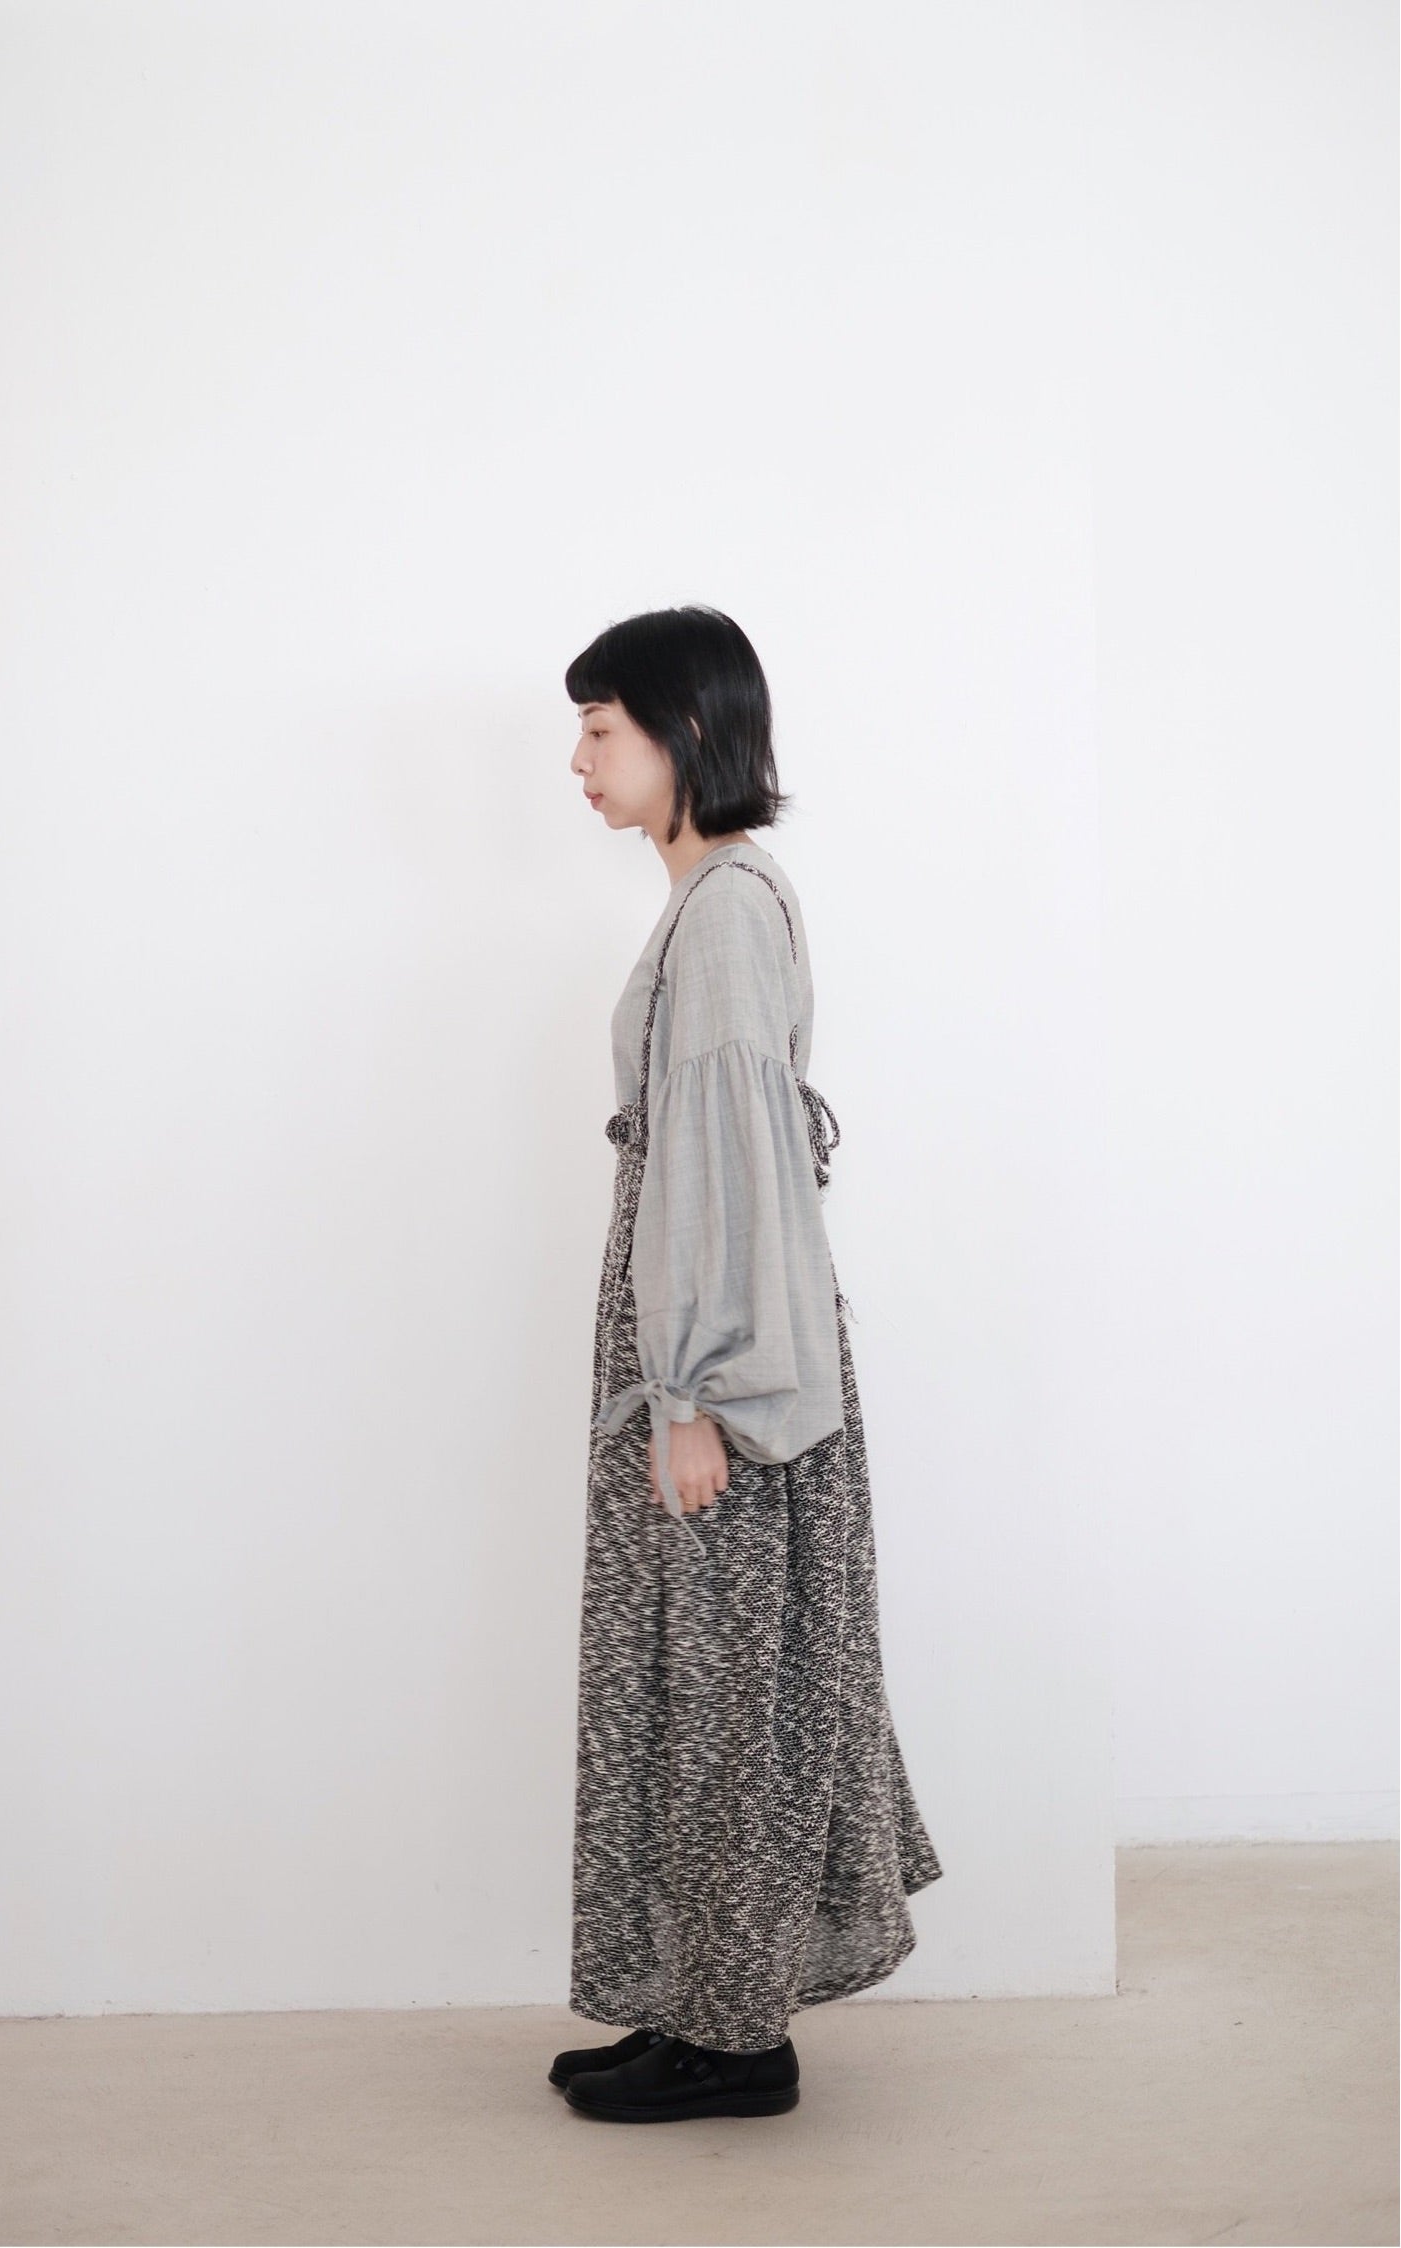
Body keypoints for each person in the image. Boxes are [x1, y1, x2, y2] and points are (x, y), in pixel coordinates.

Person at [554, 605, 942, 2125]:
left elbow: (729, 1174)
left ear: (689, 732)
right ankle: (698, 2009)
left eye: (601, 729)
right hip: (703, 1358)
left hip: (722, 1381)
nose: (579, 760)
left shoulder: (723, 915)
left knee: (724, 1702)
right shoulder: (718, 902)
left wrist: (698, 1396)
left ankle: (738, 2042)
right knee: (699, 1692)